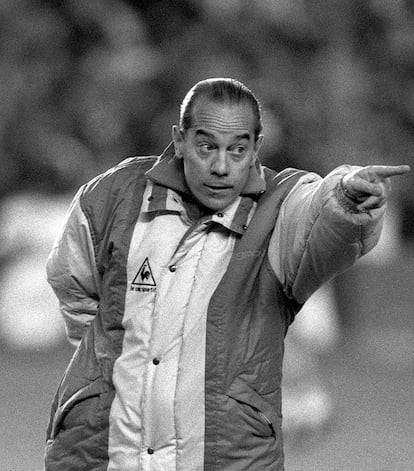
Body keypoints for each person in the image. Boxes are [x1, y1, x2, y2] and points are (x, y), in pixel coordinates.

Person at [44, 78, 409, 471]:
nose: (221, 167)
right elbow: (75, 291)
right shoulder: (111, 197)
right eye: (207, 147)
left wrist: (346, 195)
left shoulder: (281, 208)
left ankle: (309, 402)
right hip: (102, 450)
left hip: (227, 456)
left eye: (237, 150)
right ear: (179, 140)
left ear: (256, 148)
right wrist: (109, 372)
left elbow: (319, 215)